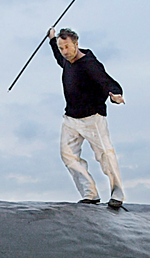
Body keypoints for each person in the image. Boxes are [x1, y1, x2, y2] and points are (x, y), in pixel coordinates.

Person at [48, 27, 126, 209]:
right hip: (71, 118)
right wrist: (52, 39)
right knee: (68, 155)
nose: (64, 51)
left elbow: (107, 81)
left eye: (67, 47)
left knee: (106, 155)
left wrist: (116, 94)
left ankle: (117, 194)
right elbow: (58, 57)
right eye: (61, 47)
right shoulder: (66, 59)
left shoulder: (89, 64)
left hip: (93, 118)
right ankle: (90, 194)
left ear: (76, 44)